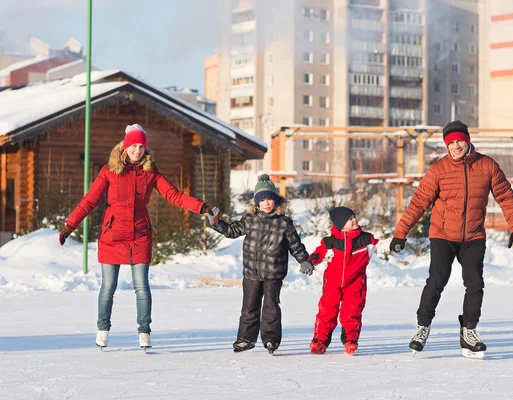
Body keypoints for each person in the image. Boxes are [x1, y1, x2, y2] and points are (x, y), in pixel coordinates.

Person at [58, 124, 212, 350]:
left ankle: (144, 331)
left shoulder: (150, 172)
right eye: (133, 145)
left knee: (142, 286)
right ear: (125, 146)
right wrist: (70, 224)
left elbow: (174, 195)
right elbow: (90, 199)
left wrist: (202, 207)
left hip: (140, 234)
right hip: (112, 235)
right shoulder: (109, 171)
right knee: (108, 286)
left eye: (141, 146)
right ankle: (103, 328)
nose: (137, 150)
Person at [390, 120, 513, 356]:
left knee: (474, 283)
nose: (456, 146)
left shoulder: (487, 165)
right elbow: (419, 202)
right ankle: (423, 326)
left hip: (473, 235)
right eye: (451, 143)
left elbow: (505, 197)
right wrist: (401, 233)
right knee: (437, 280)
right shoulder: (438, 170)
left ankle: (469, 331)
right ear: (446, 146)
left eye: (460, 140)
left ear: (468, 140)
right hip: (442, 234)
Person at [207, 174, 310, 354]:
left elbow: (295, 244)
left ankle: (270, 340)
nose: (267, 203)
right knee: (249, 307)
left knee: (271, 307)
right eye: (263, 200)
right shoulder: (250, 220)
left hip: (273, 273)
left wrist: (303, 260)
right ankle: (245, 339)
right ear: (256, 203)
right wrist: (216, 223)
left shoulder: (284, 223)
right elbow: (232, 231)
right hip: (252, 272)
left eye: (270, 199)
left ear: (276, 201)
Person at [303, 206, 389, 355]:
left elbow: (381, 245)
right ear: (341, 225)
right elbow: (319, 254)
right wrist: (309, 262)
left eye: (354, 216)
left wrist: (394, 243)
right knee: (326, 311)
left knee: (351, 311)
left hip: (355, 283)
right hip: (332, 284)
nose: (354, 219)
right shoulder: (330, 242)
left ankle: (350, 340)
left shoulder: (366, 239)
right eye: (350, 219)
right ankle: (320, 340)